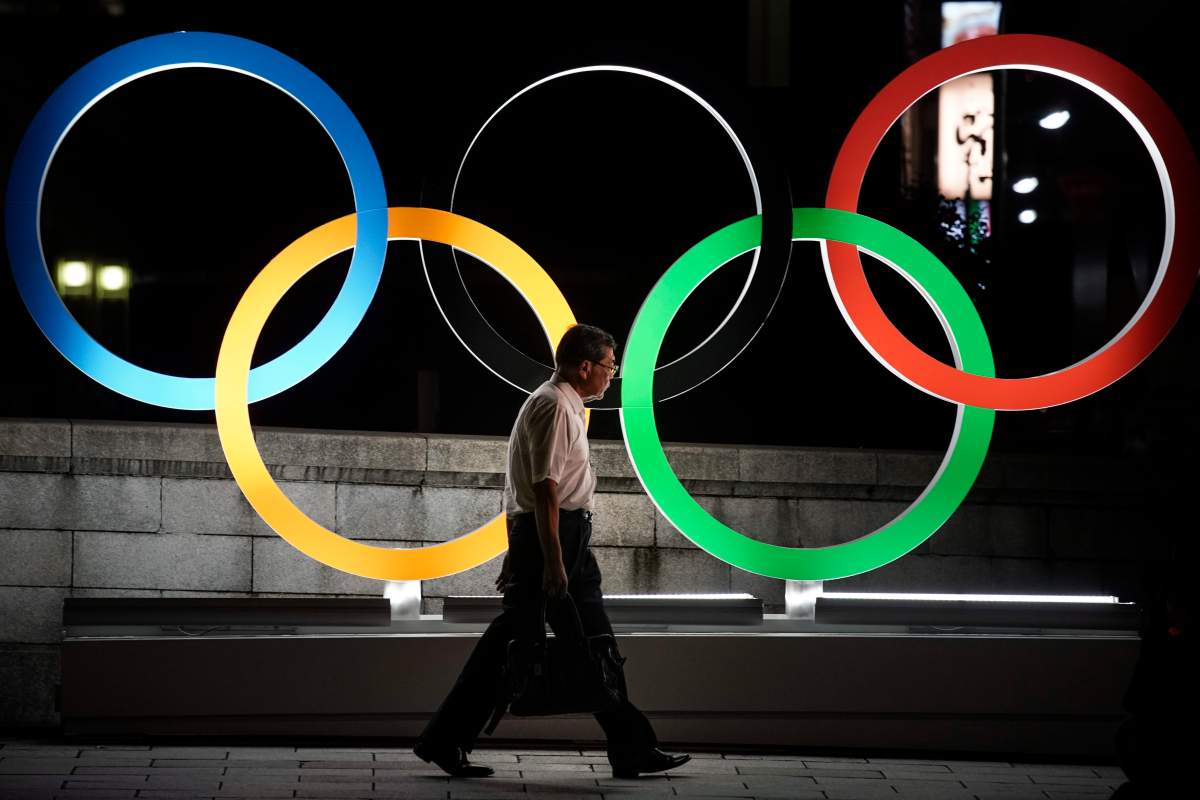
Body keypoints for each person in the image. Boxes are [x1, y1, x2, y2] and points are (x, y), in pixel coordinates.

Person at [414, 323, 691, 779]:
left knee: (574, 640)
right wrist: (552, 561)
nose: (611, 374)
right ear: (585, 367)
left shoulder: (559, 403)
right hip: (556, 539)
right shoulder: (554, 407)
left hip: (556, 537)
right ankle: (630, 747)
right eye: (608, 366)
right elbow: (543, 488)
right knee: (555, 642)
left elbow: (525, 486)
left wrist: (526, 550)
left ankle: (628, 746)